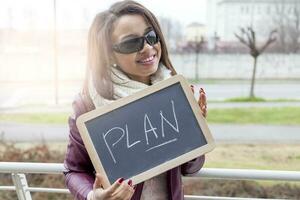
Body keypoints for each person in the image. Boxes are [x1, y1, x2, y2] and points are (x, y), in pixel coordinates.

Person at [64, 1, 207, 200]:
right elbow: (74, 170)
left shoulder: (173, 94)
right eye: (131, 43)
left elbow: (190, 168)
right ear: (108, 53)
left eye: (151, 36)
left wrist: (193, 132)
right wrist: (93, 196)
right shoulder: (88, 104)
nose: (148, 48)